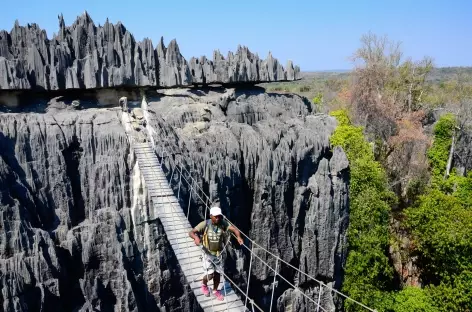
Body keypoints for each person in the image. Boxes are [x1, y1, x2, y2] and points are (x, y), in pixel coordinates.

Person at [188, 206, 244, 301]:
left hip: (219, 254)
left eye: (219, 216)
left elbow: (234, 229)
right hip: (207, 253)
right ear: (211, 216)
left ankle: (215, 290)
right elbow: (191, 232)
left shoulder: (223, 223)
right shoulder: (205, 224)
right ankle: (204, 284)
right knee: (210, 275)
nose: (218, 218)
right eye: (216, 216)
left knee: (218, 274)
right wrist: (196, 237)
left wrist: (239, 237)